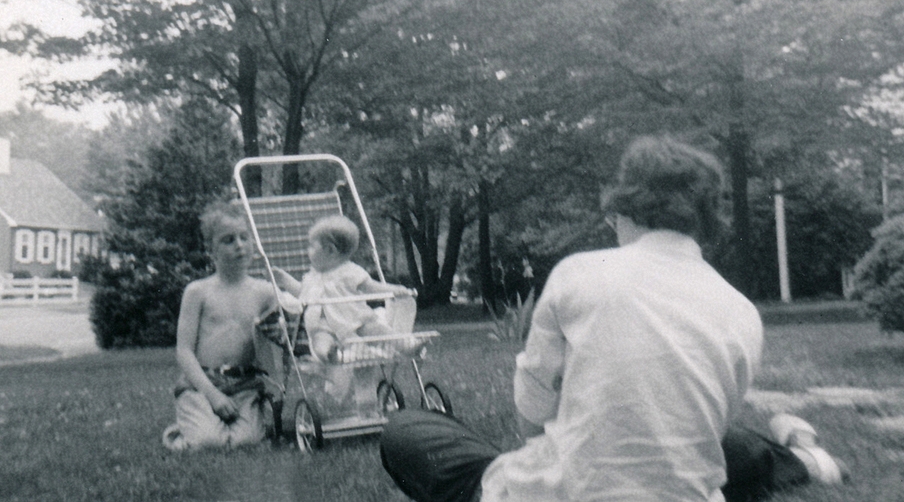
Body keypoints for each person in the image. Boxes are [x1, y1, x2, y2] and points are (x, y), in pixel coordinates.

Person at [379, 136, 846, 501]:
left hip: (560, 490)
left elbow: (531, 421)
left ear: (624, 207)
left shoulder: (581, 272)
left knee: (408, 430)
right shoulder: (743, 311)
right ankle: (805, 459)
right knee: (715, 444)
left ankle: (800, 456)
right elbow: (710, 428)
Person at [162, 201, 276, 451]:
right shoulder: (198, 292)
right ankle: (185, 429)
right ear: (210, 249)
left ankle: (222, 426)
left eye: (244, 237)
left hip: (244, 384)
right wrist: (212, 395)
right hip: (202, 384)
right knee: (208, 442)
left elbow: (279, 336)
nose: (239, 245)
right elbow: (184, 351)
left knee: (247, 442)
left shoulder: (264, 292)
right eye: (228, 240)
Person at [275, 214, 413, 363]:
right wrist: (284, 280)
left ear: (330, 250)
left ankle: (405, 345)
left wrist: (394, 290)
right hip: (324, 325)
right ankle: (331, 355)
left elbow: (372, 287)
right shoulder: (312, 276)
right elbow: (302, 293)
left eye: (312, 246)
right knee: (320, 341)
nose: (308, 251)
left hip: (355, 320)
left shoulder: (350, 272)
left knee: (375, 330)